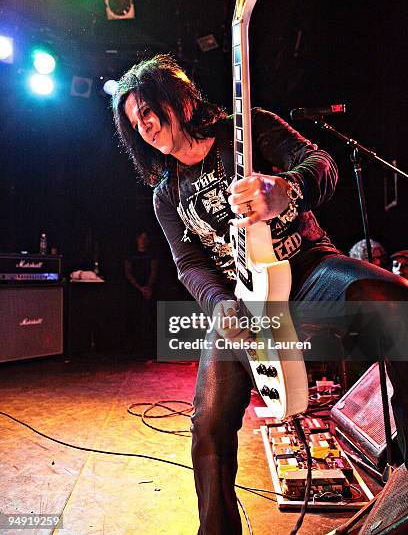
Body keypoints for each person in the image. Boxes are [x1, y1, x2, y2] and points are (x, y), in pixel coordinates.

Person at [112, 54, 408, 534]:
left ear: (180, 98)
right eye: (134, 122)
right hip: (239, 302)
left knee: (391, 301)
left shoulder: (248, 129)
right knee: (208, 424)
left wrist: (284, 189)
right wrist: (221, 305)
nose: (144, 125)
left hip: (308, 268)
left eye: (148, 110)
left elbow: (323, 165)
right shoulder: (166, 193)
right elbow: (188, 264)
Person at [124, 230, 158, 357]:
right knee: (134, 317)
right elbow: (127, 272)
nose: (143, 240)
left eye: (145, 238)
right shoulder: (130, 254)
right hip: (134, 289)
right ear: (137, 239)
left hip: (148, 289)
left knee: (147, 318)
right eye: (140, 238)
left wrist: (148, 287)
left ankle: (148, 348)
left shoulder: (151, 254)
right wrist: (139, 288)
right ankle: (134, 348)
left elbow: (154, 270)